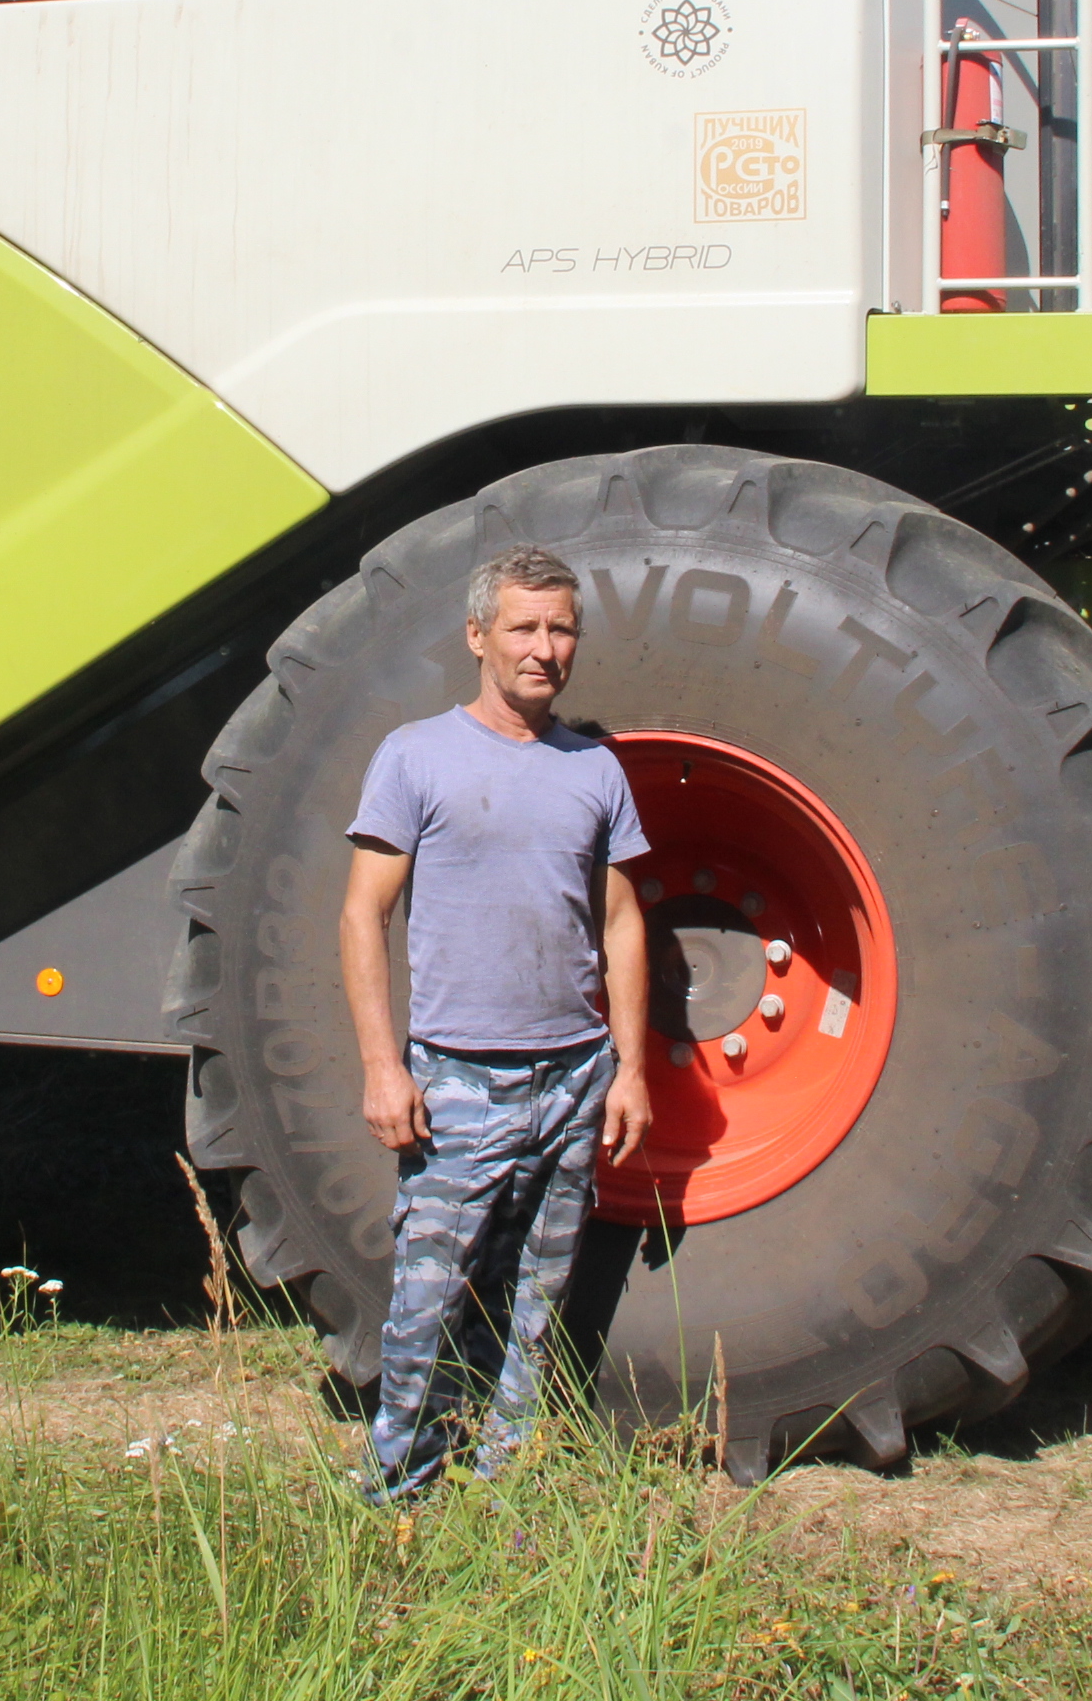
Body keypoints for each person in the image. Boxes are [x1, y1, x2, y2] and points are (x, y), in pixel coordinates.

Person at [340, 543, 653, 1497]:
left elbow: (622, 920)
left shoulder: (595, 769)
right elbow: (364, 913)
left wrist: (630, 1069)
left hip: (574, 1076)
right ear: (478, 635)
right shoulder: (417, 755)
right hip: (459, 1078)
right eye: (523, 626)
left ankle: (504, 1484)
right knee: (426, 1303)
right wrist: (382, 1070)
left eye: (561, 629)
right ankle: (399, 1491)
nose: (543, 648)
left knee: (538, 1299)